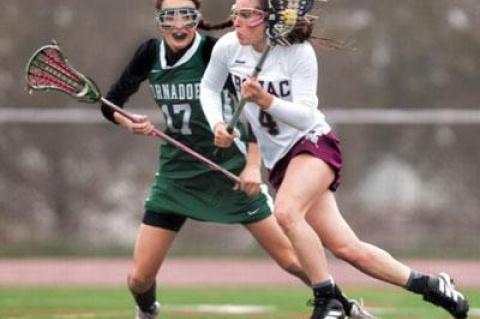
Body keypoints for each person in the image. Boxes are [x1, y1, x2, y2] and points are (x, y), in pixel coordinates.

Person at [100, 0, 373, 318]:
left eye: (186, 16)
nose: (178, 25)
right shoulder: (150, 53)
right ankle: (148, 311)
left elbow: (254, 112)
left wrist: (253, 165)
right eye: (169, 16)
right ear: (158, 20)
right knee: (139, 278)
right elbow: (111, 104)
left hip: (230, 168)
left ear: (197, 18)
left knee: (291, 260)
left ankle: (342, 306)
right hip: (178, 172)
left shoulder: (217, 51)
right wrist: (129, 122)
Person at [200, 0, 470, 318]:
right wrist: (217, 123)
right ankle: (432, 286)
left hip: (312, 144)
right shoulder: (229, 49)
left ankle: (328, 299)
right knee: (347, 248)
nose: (237, 22)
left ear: (270, 19)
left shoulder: (298, 54)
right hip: (280, 161)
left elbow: (304, 117)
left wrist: (266, 100)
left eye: (247, 15)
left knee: (286, 213)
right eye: (236, 14)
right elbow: (209, 87)